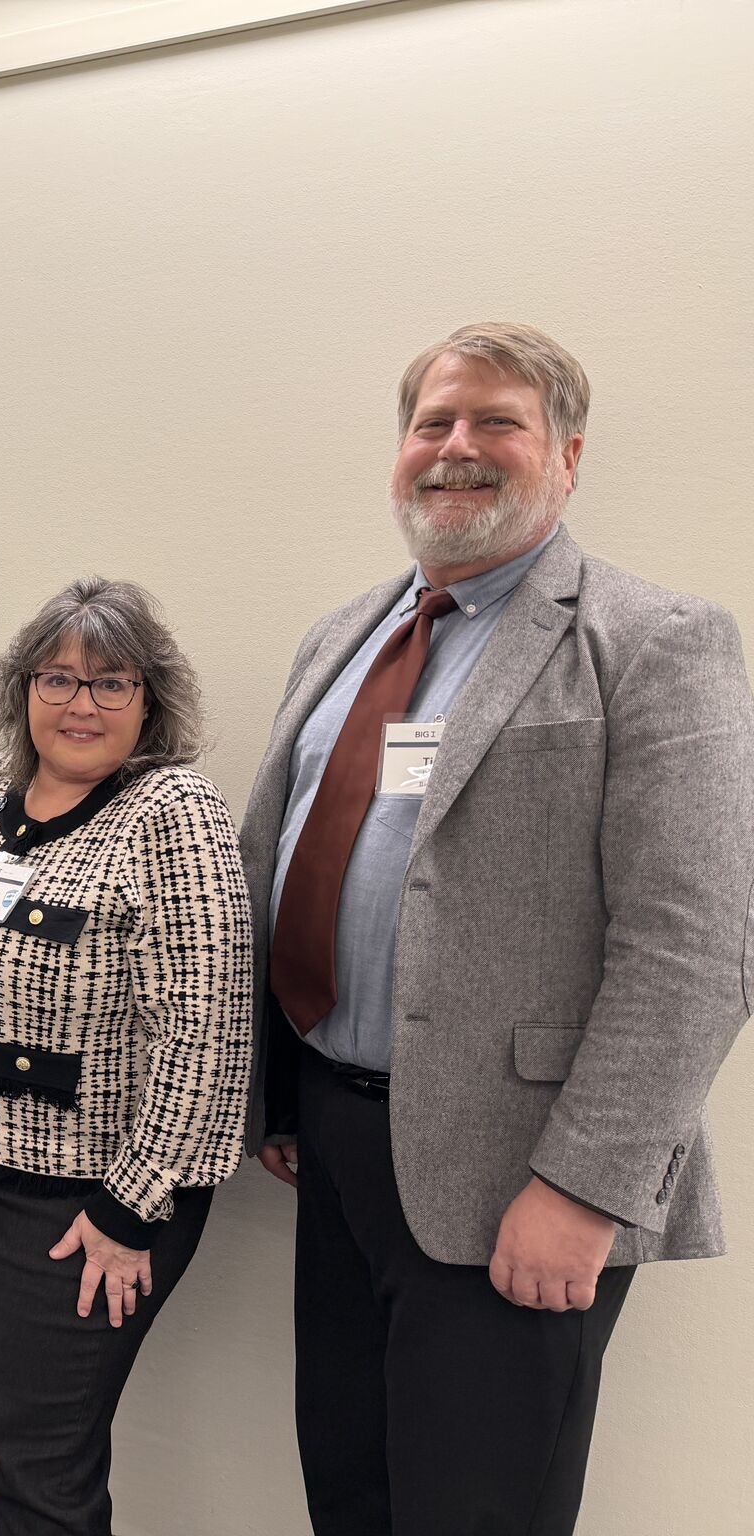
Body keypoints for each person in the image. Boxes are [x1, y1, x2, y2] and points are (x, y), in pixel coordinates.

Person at [240, 321, 754, 1536]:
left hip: (517, 1175)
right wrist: (279, 1095)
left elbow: (695, 947)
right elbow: (286, 863)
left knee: (473, 1516)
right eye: (431, 423)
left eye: (494, 423)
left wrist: (579, 1190)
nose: (453, 449)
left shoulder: (653, 642)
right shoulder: (341, 635)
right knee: (351, 1487)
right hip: (337, 1139)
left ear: (565, 456)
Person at [0, 578, 253, 1536]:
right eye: (56, 678)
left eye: (110, 682)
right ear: (23, 690)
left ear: (151, 698)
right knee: (0, 1421)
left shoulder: (169, 811)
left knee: (41, 1468)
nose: (79, 703)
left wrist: (129, 1208)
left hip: (82, 1204)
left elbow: (209, 1031)